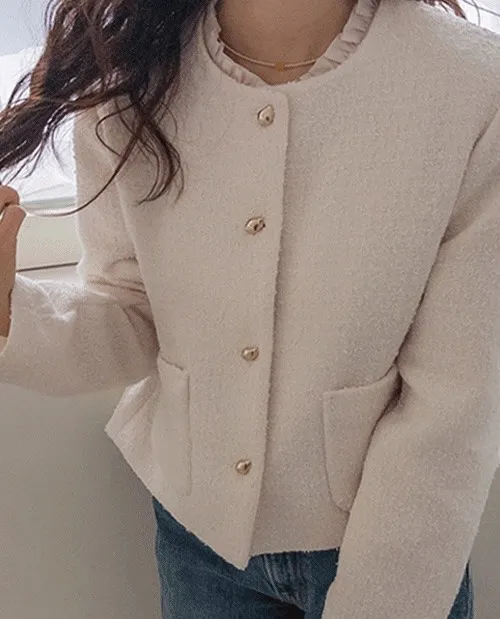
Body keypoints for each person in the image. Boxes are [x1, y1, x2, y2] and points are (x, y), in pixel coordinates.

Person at [0, 0, 499, 616]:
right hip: (198, 541)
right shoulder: (127, 80)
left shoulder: (473, 87)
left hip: (395, 547)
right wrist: (12, 316)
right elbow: (131, 311)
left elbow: (455, 403)